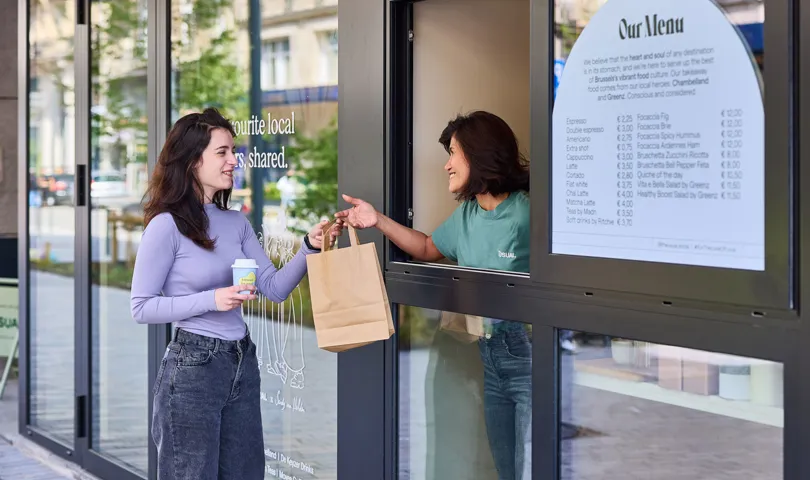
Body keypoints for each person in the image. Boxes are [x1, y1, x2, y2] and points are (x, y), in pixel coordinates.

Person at [130, 107, 340, 480]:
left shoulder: (235, 222)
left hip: (242, 361)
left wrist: (309, 246)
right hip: (192, 368)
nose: (234, 160)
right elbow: (141, 307)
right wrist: (214, 299)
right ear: (193, 161)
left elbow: (273, 289)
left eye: (234, 151)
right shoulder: (166, 226)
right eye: (222, 152)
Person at [335, 110, 532, 479]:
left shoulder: (525, 213)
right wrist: (376, 220)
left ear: (479, 154)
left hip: (527, 356)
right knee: (509, 470)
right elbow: (426, 247)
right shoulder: (469, 215)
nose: (446, 165)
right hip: (489, 357)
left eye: (453, 152)